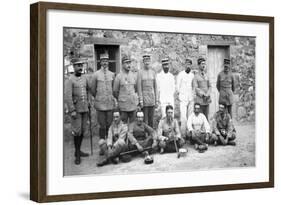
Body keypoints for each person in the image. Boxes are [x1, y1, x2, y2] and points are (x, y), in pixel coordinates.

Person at [65, 58, 90, 165]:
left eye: (81, 65)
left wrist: (89, 100)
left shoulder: (85, 78)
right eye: (78, 65)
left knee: (83, 130)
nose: (80, 67)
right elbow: (68, 96)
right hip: (76, 110)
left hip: (85, 108)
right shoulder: (70, 80)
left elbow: (88, 90)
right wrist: (72, 110)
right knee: (77, 132)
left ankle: (78, 150)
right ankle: (77, 154)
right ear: (74, 67)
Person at [90, 53, 115, 139]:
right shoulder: (95, 75)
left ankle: (109, 143)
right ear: (100, 62)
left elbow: (114, 89)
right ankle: (102, 144)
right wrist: (98, 97)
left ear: (108, 62)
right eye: (103, 61)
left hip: (110, 103)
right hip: (100, 104)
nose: (105, 63)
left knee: (109, 124)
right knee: (102, 125)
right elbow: (93, 90)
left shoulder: (112, 74)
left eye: (106, 61)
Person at [113, 55, 139, 124]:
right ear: (122, 64)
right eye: (126, 63)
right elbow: (115, 91)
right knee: (123, 124)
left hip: (132, 105)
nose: (129, 65)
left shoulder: (134, 75)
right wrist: (122, 98)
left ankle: (130, 135)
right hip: (123, 106)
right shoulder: (118, 77)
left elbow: (135, 89)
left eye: (129, 63)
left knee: (132, 125)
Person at [137, 53, 158, 128]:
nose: (147, 62)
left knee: (151, 119)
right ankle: (146, 135)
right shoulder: (140, 72)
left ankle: (152, 136)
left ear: (150, 61)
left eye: (148, 60)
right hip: (144, 100)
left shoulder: (153, 72)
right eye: (145, 60)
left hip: (152, 99)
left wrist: (156, 100)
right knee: (145, 119)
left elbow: (155, 87)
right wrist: (141, 100)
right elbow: (139, 88)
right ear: (143, 61)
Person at [176, 58, 195, 133]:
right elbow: (177, 86)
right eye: (187, 64)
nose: (188, 66)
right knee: (183, 117)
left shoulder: (192, 75)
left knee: (190, 116)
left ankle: (189, 133)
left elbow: (194, 86)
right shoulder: (181, 74)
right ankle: (183, 133)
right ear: (185, 65)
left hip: (190, 98)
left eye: (189, 65)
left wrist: (193, 95)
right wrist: (180, 94)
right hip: (183, 98)